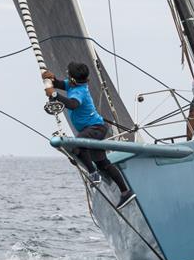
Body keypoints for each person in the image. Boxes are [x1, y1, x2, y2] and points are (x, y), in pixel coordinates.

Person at [43, 62, 133, 207]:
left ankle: (93, 174)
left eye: (68, 74)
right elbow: (60, 84)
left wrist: (54, 94)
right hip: (93, 129)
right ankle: (125, 192)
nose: (67, 75)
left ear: (73, 79)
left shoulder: (80, 92)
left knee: (77, 145)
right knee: (103, 163)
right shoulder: (72, 85)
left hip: (95, 128)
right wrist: (52, 79)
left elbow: (73, 104)